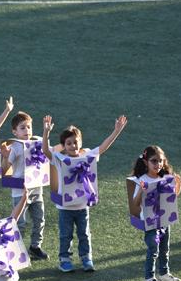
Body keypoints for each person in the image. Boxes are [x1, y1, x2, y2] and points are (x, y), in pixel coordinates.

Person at [43, 115, 127, 272]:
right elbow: (45, 151)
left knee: (84, 234)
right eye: (69, 143)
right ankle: (64, 260)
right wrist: (46, 132)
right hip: (65, 208)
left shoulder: (87, 155)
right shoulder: (59, 159)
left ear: (80, 142)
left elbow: (103, 147)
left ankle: (86, 258)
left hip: (82, 206)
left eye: (75, 142)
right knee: (65, 235)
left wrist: (116, 131)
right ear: (63, 145)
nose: (73, 145)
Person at [129, 146, 181, 281]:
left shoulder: (164, 178)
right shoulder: (142, 179)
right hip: (150, 222)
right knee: (153, 249)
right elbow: (135, 203)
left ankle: (164, 273)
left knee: (165, 248)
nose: (158, 164)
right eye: (154, 161)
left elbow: (172, 197)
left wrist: (178, 184)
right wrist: (141, 190)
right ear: (146, 162)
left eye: (160, 161)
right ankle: (149, 278)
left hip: (164, 220)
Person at [1, 111, 49, 260]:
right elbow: (5, 169)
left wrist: (46, 132)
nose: (27, 130)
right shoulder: (15, 147)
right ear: (14, 132)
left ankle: (35, 246)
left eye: (29, 127)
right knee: (20, 223)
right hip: (19, 192)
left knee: (39, 220)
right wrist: (5, 156)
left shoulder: (37, 143)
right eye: (22, 128)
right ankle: (18, 250)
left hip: (36, 190)